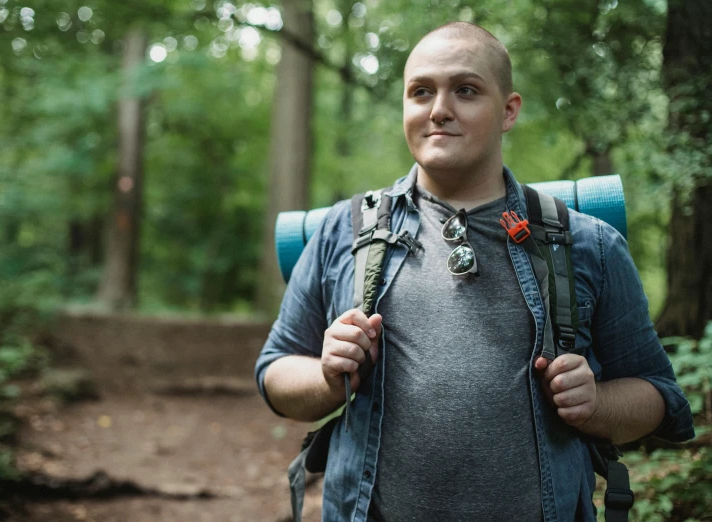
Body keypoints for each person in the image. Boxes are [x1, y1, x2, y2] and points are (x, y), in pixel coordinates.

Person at [254, 21, 694, 522]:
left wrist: (596, 405)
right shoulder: (343, 231)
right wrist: (330, 375)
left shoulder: (586, 243)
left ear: (508, 111)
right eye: (421, 92)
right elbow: (275, 372)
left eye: (465, 90)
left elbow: (658, 395)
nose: (439, 109)